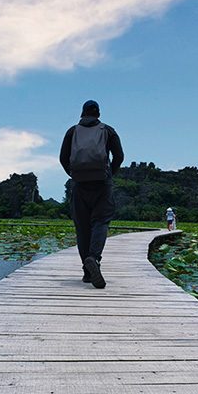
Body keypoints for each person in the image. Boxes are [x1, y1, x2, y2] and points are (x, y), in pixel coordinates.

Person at [59, 99, 123, 288]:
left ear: (82, 113)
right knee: (100, 222)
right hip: (102, 184)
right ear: (98, 114)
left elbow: (63, 158)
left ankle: (87, 273)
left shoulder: (72, 131)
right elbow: (119, 156)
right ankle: (94, 258)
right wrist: (110, 173)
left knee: (82, 227)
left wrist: (74, 175)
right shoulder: (108, 130)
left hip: (79, 185)